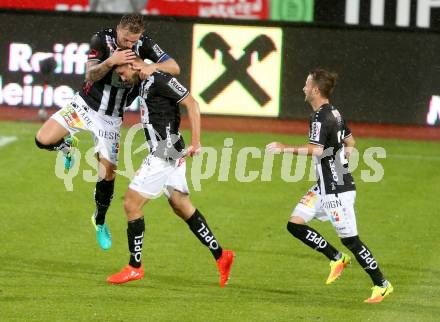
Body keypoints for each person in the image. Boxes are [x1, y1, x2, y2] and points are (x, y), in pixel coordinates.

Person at [34, 14, 180, 251]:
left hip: (110, 119)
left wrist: (150, 65)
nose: (130, 45)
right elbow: (90, 75)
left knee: (107, 174)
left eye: (134, 41)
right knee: (42, 139)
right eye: (126, 39)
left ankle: (99, 221)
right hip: (83, 105)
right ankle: (66, 146)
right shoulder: (101, 40)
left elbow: (174, 67)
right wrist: (111, 61)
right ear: (119, 30)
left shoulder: (145, 44)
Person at [266, 69, 393, 303]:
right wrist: (340, 163)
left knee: (351, 240)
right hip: (324, 186)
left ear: (315, 89)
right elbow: (351, 142)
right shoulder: (335, 112)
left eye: (306, 85)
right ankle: (336, 257)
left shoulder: (319, 117)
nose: (303, 88)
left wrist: (284, 148)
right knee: (295, 225)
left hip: (337, 190)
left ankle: (381, 284)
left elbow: (315, 149)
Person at [106, 59, 235, 286]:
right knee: (180, 204)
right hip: (168, 150)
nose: (122, 77)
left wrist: (196, 142)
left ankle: (135, 267)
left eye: (122, 71)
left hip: (164, 152)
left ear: (134, 66)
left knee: (131, 205)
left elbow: (192, 104)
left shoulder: (159, 79)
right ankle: (221, 255)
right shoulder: (143, 82)